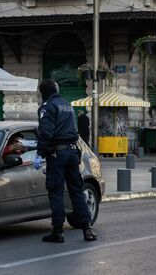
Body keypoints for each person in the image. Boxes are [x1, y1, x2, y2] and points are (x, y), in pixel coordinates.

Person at [33, 79, 97, 243]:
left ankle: (58, 231)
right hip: (72, 152)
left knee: (56, 192)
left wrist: (40, 153)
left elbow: (46, 132)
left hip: (57, 155)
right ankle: (87, 228)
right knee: (76, 191)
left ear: (43, 93)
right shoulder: (67, 105)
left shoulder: (47, 107)